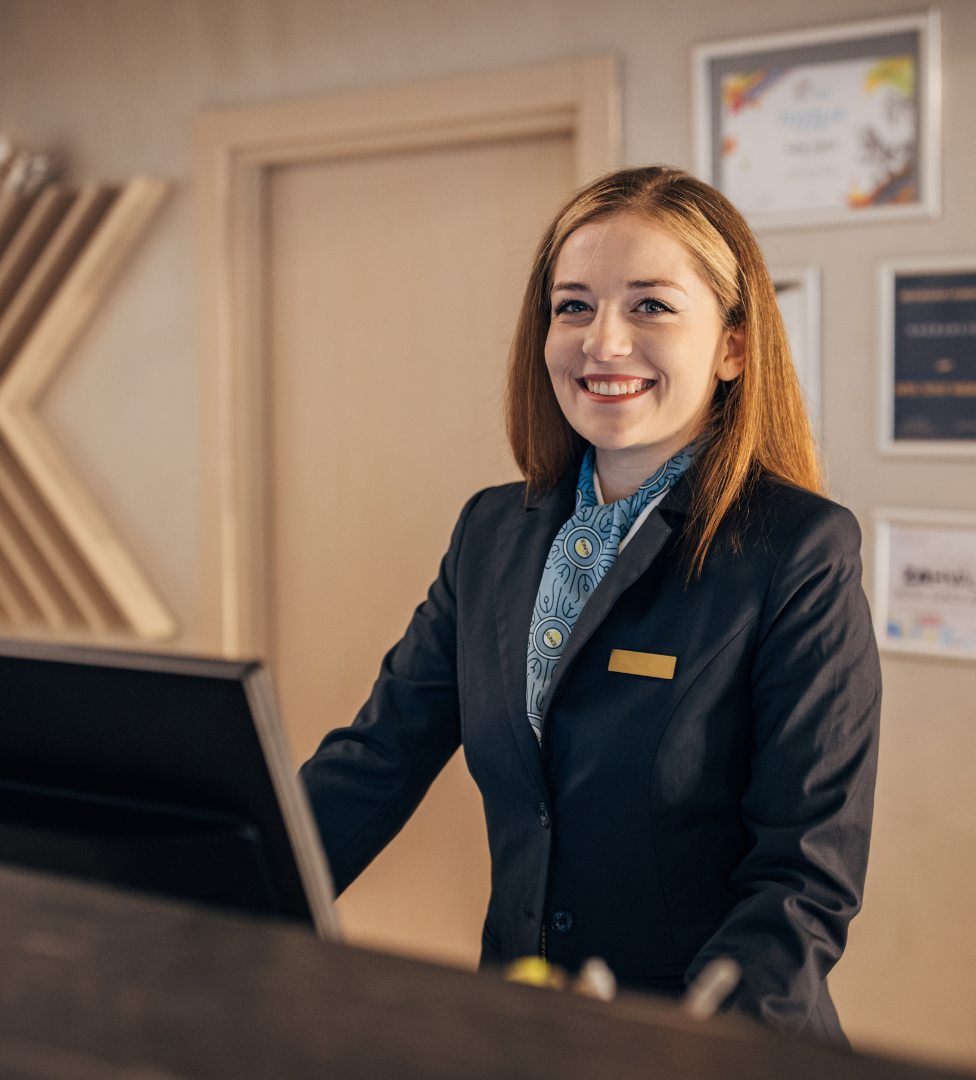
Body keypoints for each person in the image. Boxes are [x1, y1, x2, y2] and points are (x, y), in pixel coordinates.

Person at [298, 165, 881, 1045]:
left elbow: (802, 881)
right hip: (522, 1026)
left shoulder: (797, 551)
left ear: (733, 345)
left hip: (710, 1047)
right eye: (573, 307)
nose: (602, 343)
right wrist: (211, 897)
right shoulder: (493, 530)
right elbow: (376, 760)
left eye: (650, 306)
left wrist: (690, 1048)